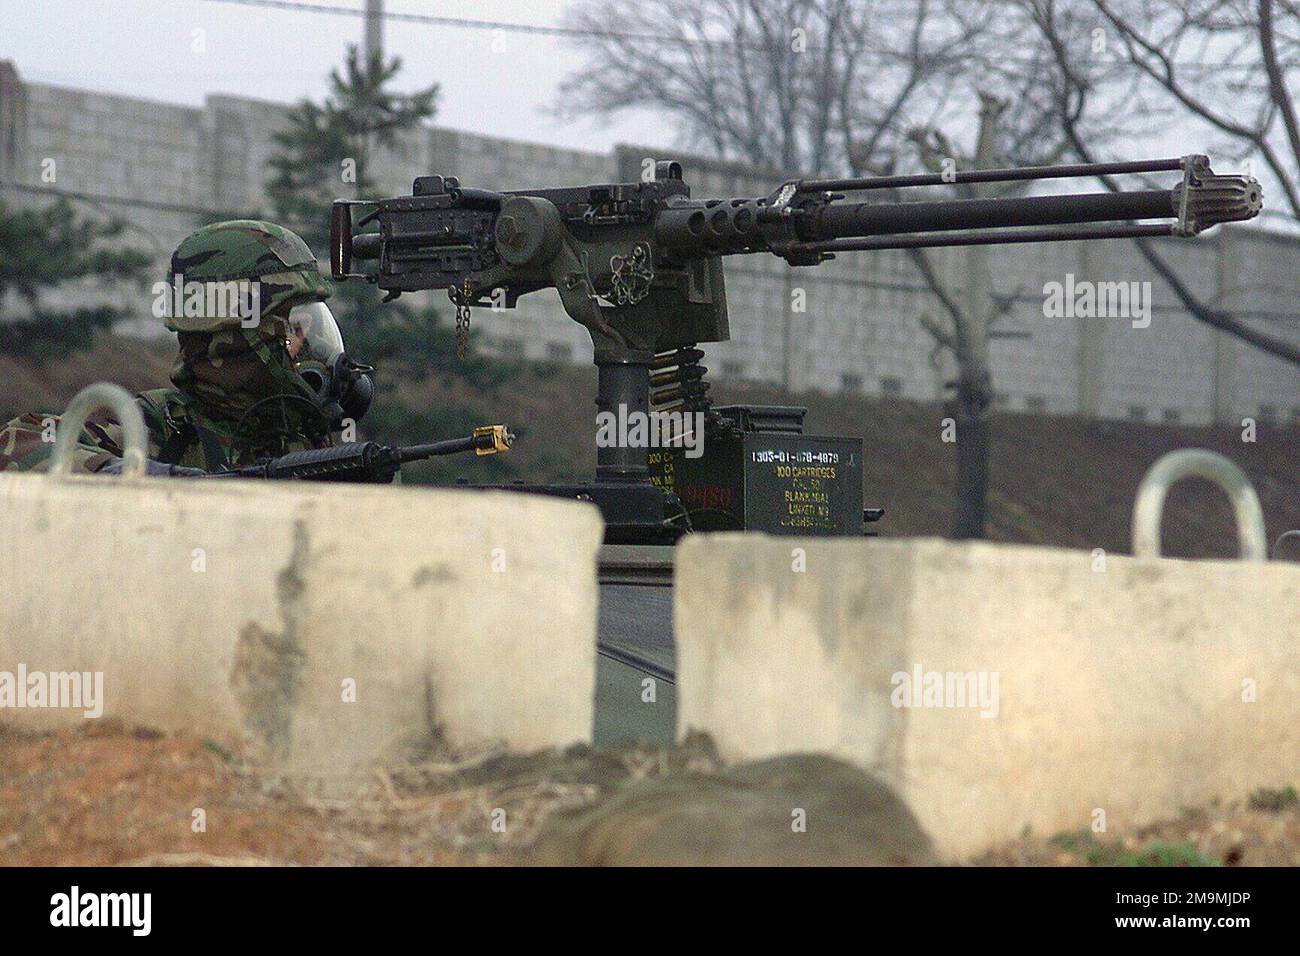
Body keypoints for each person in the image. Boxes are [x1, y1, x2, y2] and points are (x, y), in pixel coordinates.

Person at [0, 220, 374, 475]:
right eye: (292, 329)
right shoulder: (159, 428)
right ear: (234, 340)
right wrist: (156, 479)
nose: (312, 351)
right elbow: (20, 445)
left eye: (310, 328)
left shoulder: (321, 445)